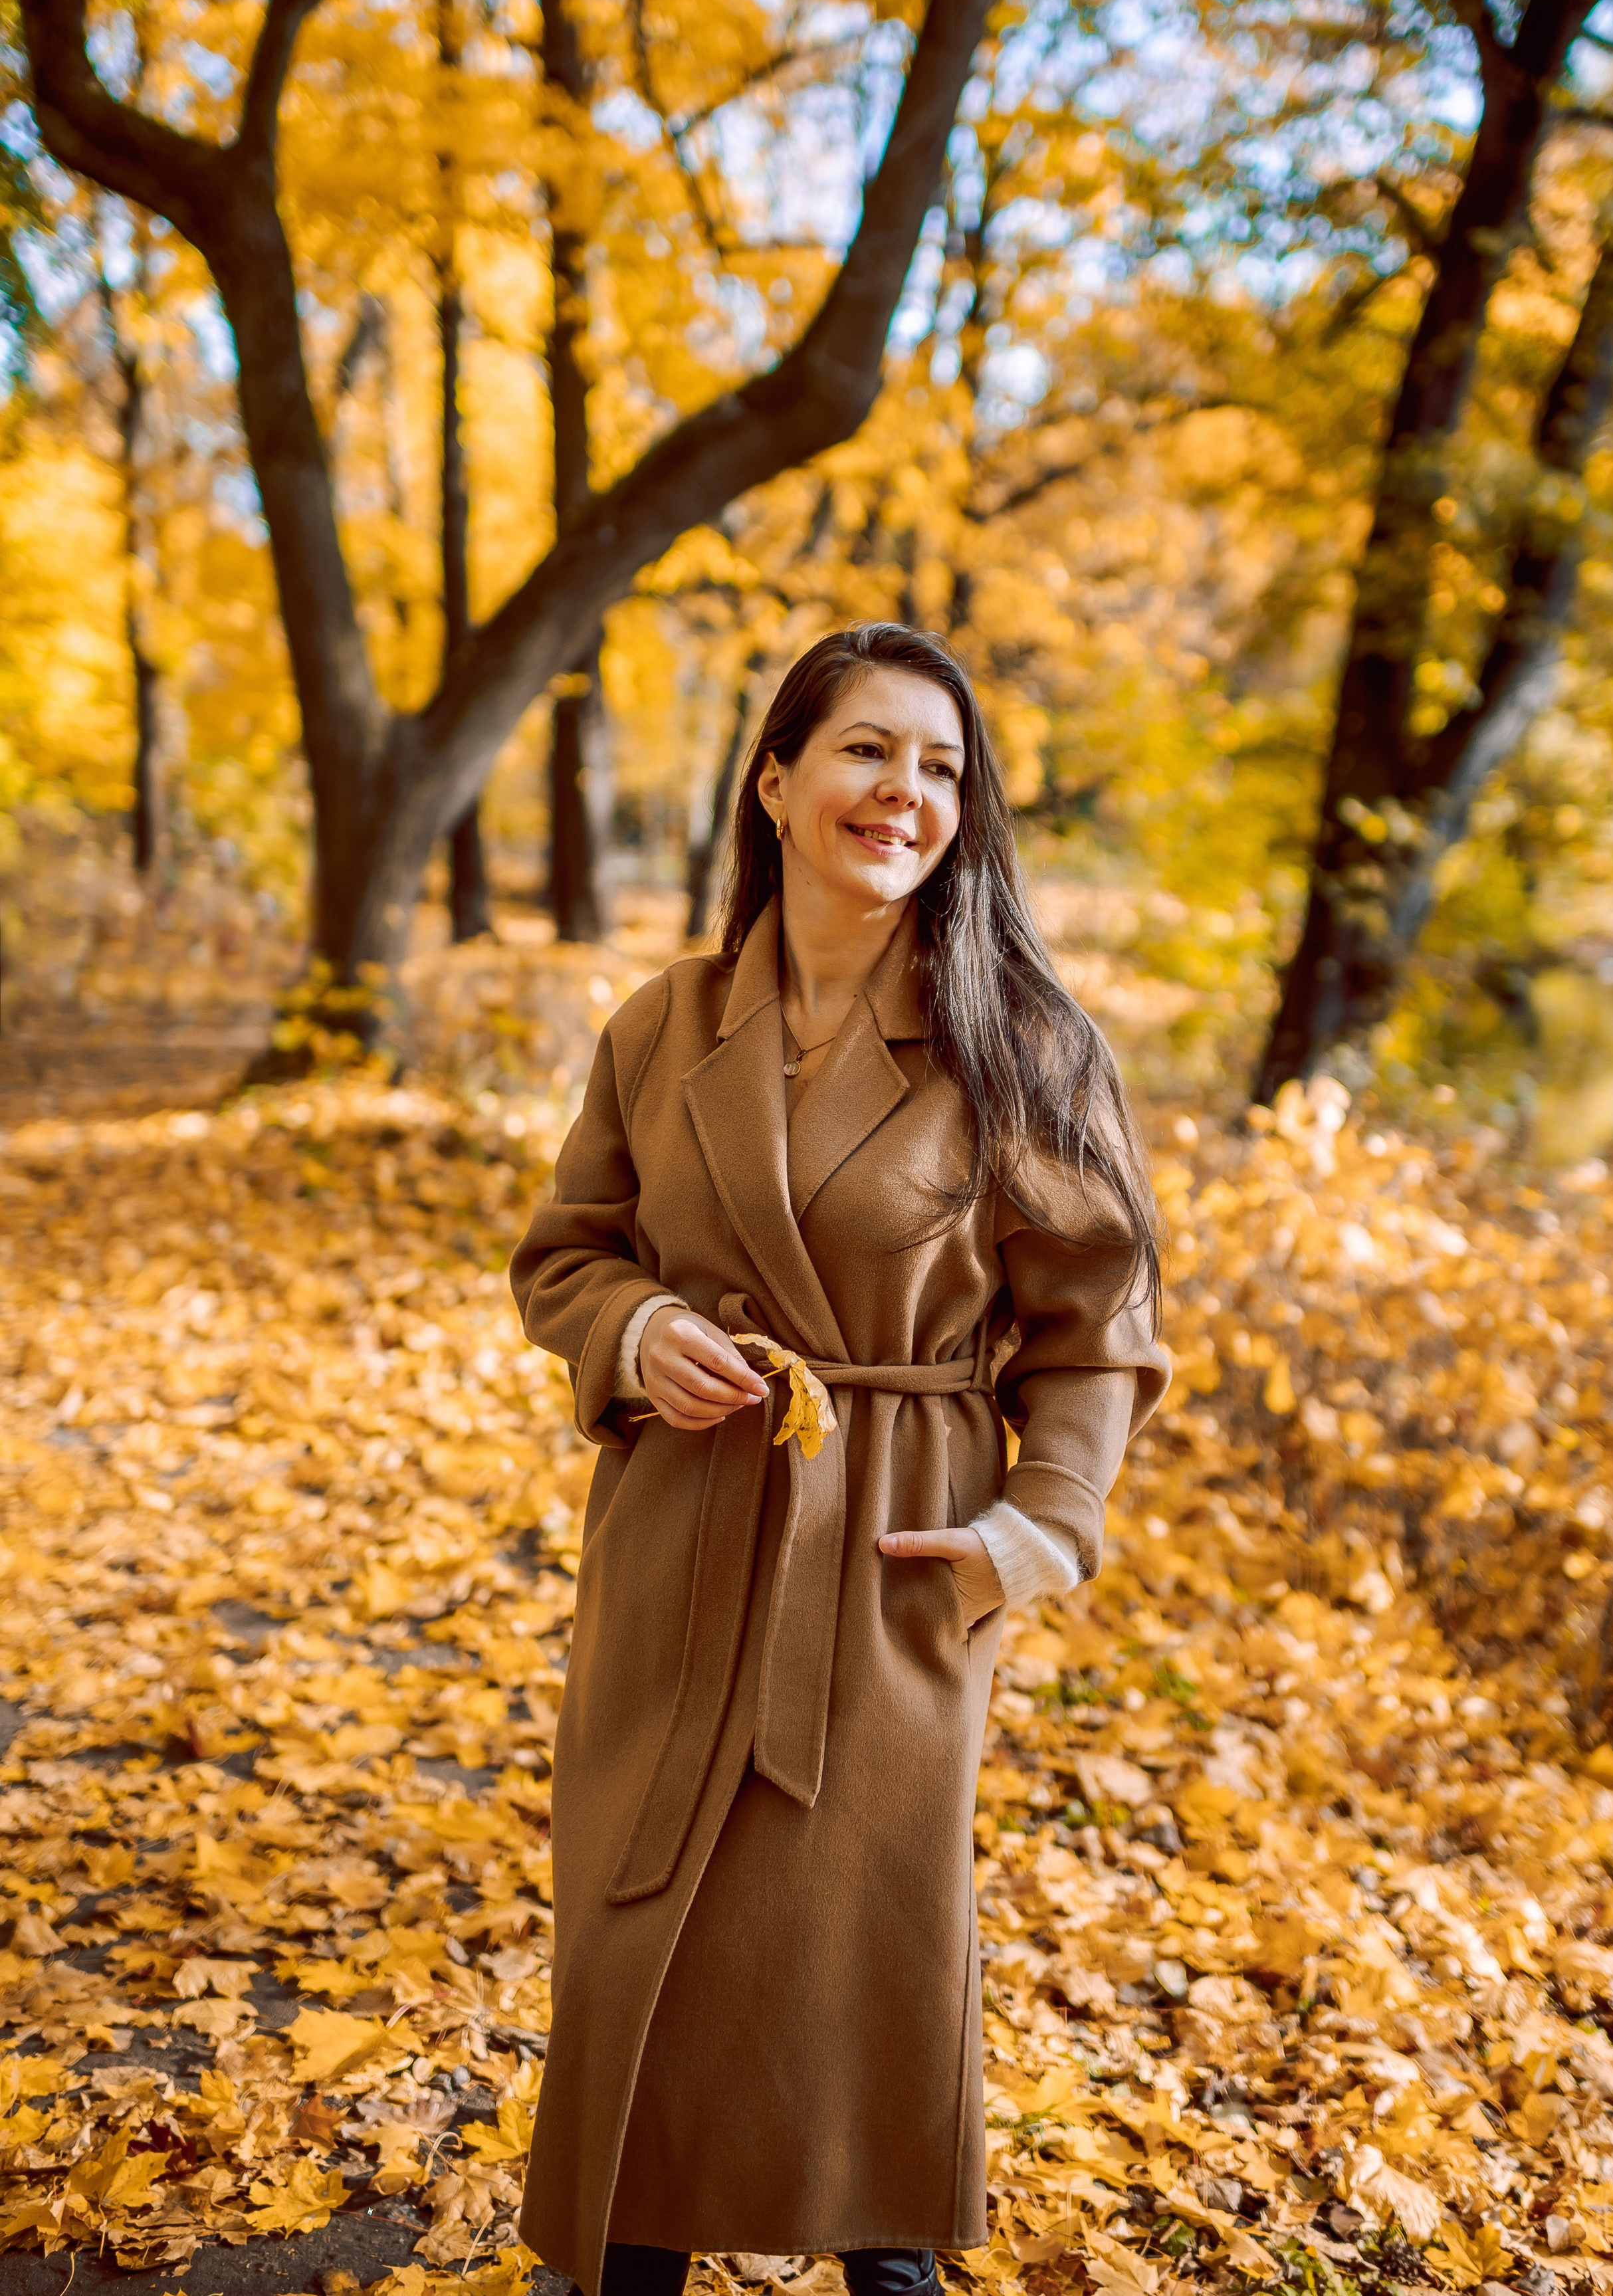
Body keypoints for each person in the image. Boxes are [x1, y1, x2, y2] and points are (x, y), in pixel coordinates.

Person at [510, 623, 1168, 2296]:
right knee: (639, 1941)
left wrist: (1037, 1531)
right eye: (867, 749)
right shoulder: (661, 1025)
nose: (903, 792)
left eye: (941, 766)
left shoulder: (1023, 1042)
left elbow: (1097, 1326)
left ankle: (888, 2272)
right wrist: (635, 1333)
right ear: (775, 782)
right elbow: (569, 1254)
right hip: (679, 1531)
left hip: (890, 1548)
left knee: (864, 1960)